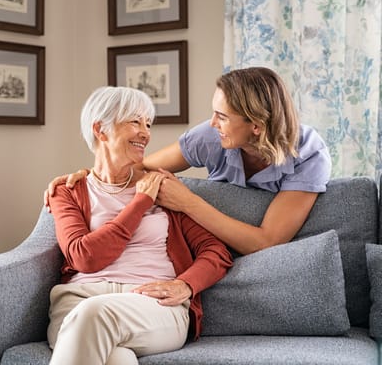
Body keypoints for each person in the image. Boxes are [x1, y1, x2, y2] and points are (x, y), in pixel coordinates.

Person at [45, 67, 331, 256]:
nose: (212, 122)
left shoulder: (308, 154)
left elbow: (267, 242)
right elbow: (138, 169)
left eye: (222, 116)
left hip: (260, 258)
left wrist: (187, 202)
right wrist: (89, 175)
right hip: (209, 249)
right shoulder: (210, 136)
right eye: (213, 112)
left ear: (256, 125)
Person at [46, 86, 233, 365]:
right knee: (118, 359)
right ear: (100, 129)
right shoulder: (69, 190)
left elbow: (216, 252)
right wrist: (140, 203)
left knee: (95, 314)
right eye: (135, 121)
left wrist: (185, 284)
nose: (145, 133)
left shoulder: (164, 187)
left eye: (148, 124)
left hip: (152, 304)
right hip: (79, 300)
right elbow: (84, 257)